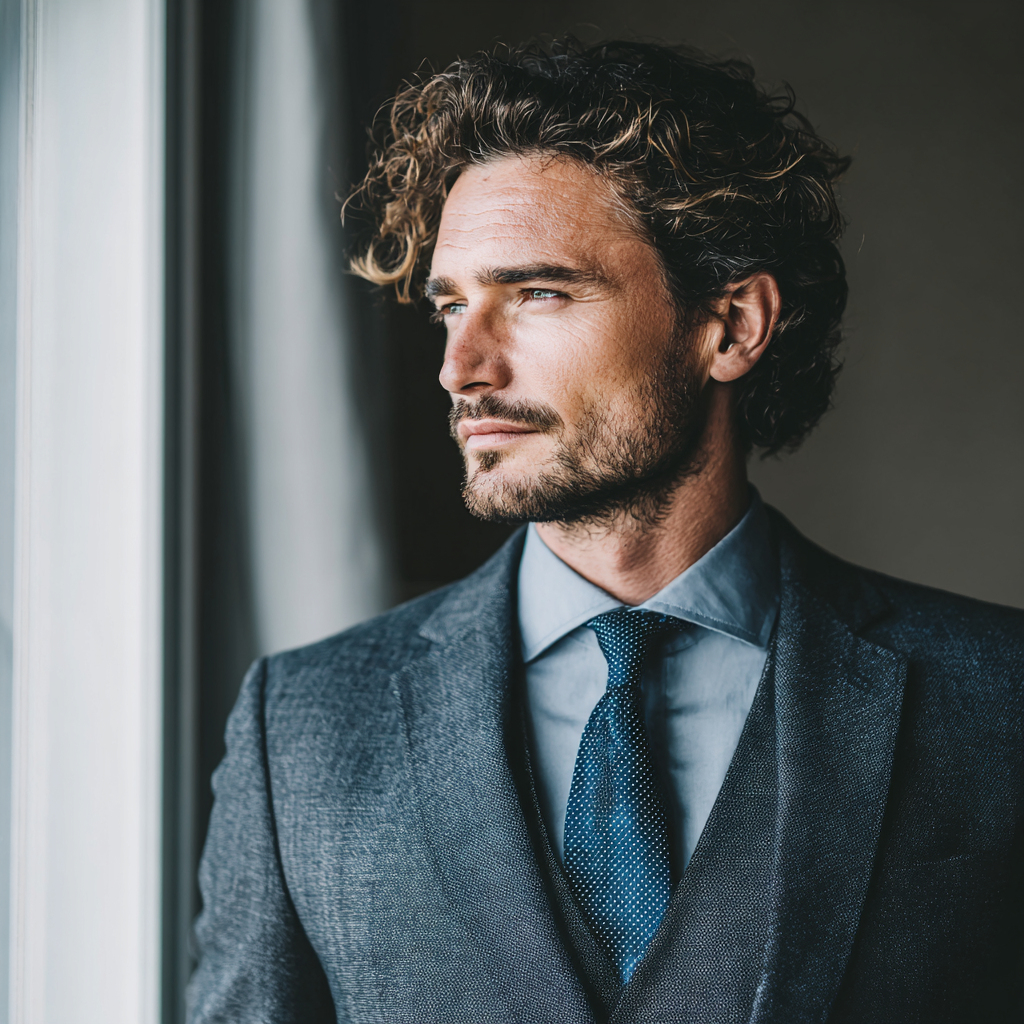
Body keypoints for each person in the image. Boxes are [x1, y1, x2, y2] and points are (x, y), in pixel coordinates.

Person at [187, 39, 1023, 1024]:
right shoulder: (305, 724)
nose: (462, 366)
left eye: (535, 292)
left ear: (729, 324)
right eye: (450, 306)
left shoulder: (996, 698)